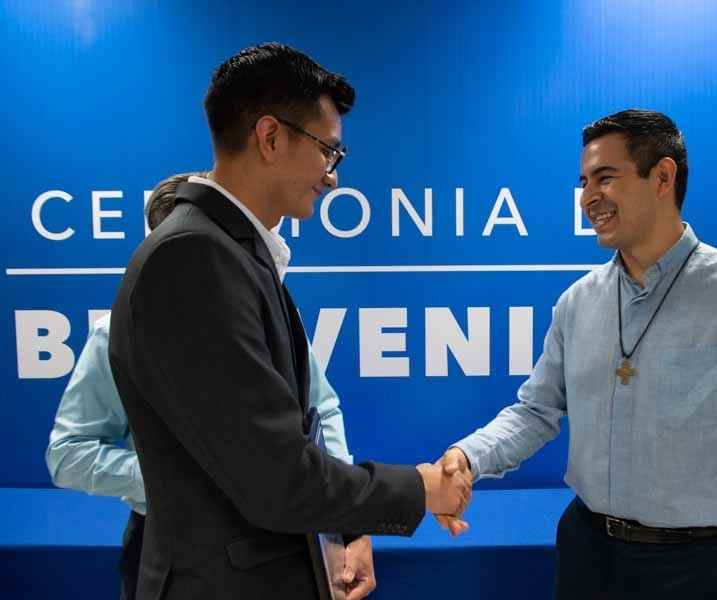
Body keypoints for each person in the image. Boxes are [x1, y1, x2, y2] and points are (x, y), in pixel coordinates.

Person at [108, 43, 469, 600]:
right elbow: (276, 479)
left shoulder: (231, 253)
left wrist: (350, 527)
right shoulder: (192, 260)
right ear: (271, 137)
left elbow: (289, 433)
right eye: (329, 151)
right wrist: (420, 488)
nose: (332, 178)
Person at [437, 109, 717, 600]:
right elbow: (535, 412)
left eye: (606, 178)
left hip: (693, 570)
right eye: (584, 182)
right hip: (586, 553)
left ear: (663, 176)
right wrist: (467, 457)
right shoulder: (577, 303)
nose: (588, 198)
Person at [46, 172, 364, 599]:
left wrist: (346, 524)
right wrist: (169, 479)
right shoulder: (118, 334)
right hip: (172, 548)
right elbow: (68, 454)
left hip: (287, 542)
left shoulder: (274, 320)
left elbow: (321, 411)